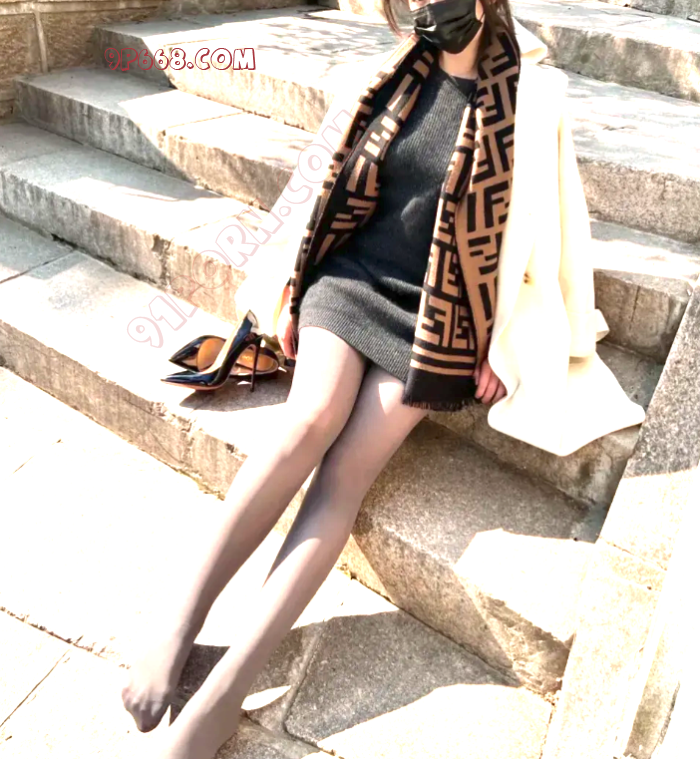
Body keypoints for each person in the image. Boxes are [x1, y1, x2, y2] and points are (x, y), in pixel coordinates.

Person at [121, 2, 644, 757]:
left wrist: (506, 343)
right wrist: (291, 287)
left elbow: (553, 236)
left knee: (345, 474)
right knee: (308, 421)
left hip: (440, 315)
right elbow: (321, 189)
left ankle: (226, 692)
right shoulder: (389, 72)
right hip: (351, 278)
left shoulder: (535, 96)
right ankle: (179, 622)